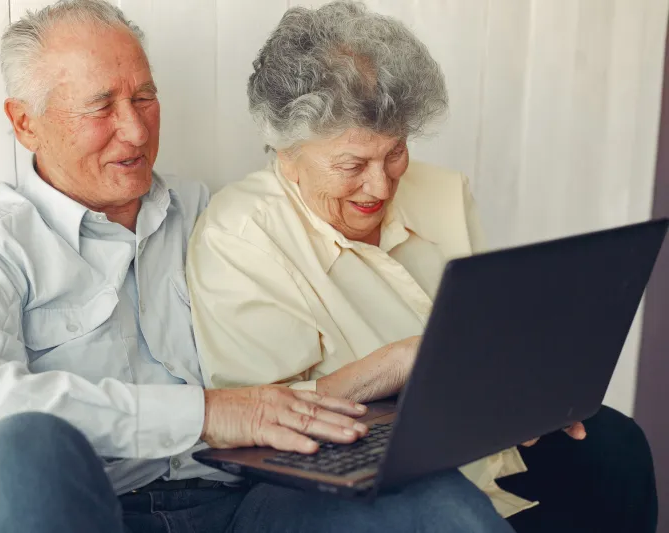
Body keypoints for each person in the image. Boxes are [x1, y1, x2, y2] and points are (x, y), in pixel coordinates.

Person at [0, 1, 517, 532]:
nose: (134, 127)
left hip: (244, 507)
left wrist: (417, 365)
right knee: (23, 449)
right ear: (25, 123)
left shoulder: (211, 213)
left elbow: (276, 399)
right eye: (101, 107)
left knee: (438, 505)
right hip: (93, 510)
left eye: (144, 97)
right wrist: (202, 414)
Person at [186, 2, 658, 532]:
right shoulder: (240, 232)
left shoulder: (442, 192)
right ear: (285, 152)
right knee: (445, 508)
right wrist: (397, 363)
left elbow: (484, 333)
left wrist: (525, 392)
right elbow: (254, 422)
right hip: (326, 465)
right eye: (352, 165)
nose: (381, 186)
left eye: (395, 153)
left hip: (461, 432)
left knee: (615, 447)